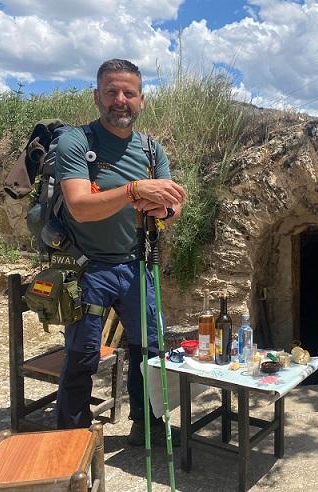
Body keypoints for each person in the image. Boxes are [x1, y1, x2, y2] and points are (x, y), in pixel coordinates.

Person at [55, 58, 186, 446]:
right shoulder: (76, 141)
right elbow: (79, 205)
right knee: (83, 355)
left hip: (135, 263)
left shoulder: (150, 149)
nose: (120, 100)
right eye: (111, 91)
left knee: (151, 351)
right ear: (97, 96)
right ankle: (71, 440)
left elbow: (175, 204)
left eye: (129, 93)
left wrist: (165, 210)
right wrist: (134, 191)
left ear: (141, 100)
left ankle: (147, 426)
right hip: (86, 267)